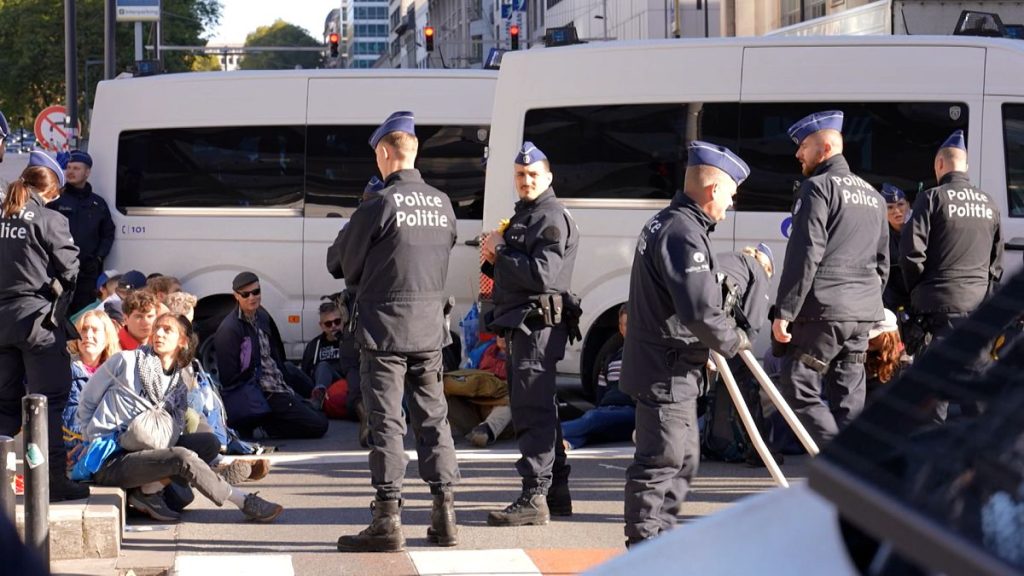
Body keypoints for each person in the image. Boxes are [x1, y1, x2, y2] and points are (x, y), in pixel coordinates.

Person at [327, 111, 460, 552]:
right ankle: (445, 515)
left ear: (385, 153)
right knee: (434, 420)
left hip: (383, 333)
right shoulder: (442, 203)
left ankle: (387, 518)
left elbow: (339, 262)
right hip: (429, 332)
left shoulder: (380, 205)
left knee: (387, 423)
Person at [621, 141, 752, 546]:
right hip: (666, 370)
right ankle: (643, 553)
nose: (730, 205)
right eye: (730, 194)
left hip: (668, 367)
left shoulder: (671, 222)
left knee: (682, 461)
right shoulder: (683, 232)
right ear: (713, 189)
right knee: (660, 465)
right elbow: (698, 310)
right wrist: (736, 341)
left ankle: (659, 543)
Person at [76, 313, 284, 523]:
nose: (158, 333)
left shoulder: (177, 384)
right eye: (157, 327)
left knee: (207, 443)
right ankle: (243, 500)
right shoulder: (126, 361)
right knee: (182, 457)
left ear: (183, 341)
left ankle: (149, 490)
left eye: (168, 330)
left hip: (144, 452)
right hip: (110, 459)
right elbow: (86, 400)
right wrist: (87, 440)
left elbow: (173, 432)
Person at [771, 110, 888, 449]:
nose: (798, 154)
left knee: (798, 383)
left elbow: (805, 254)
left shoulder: (817, 189)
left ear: (824, 149)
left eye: (803, 147)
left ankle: (841, 465)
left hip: (824, 310)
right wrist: (865, 303)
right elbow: (883, 262)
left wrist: (785, 312)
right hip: (862, 312)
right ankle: (854, 476)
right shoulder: (874, 195)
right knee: (848, 396)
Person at [481, 141, 581, 527]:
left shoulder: (550, 217)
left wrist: (501, 251)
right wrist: (496, 259)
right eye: (521, 176)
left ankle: (534, 495)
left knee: (532, 410)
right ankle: (555, 492)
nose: (526, 181)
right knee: (541, 408)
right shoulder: (528, 215)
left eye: (533, 175)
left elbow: (542, 275)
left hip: (537, 327)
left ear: (548, 177)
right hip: (525, 324)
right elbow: (515, 277)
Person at [0, 151, 90, 501]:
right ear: (51, 190)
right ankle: (51, 480)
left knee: (4, 406)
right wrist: (55, 298)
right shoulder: (49, 219)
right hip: (37, 323)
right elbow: (71, 270)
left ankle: (3, 482)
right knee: (48, 402)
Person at [900, 129, 1003, 419]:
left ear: (939, 165)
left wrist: (921, 290)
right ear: (965, 167)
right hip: (977, 310)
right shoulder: (989, 203)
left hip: (937, 311)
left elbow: (910, 255)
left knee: (932, 394)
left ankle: (931, 456)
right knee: (974, 385)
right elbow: (996, 264)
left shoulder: (931, 199)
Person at [214, 271, 328, 439]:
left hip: (279, 382)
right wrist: (256, 398)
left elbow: (275, 354)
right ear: (236, 296)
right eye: (246, 294)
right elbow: (229, 378)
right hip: (264, 392)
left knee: (315, 407)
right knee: (320, 425)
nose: (252, 297)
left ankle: (296, 407)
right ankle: (266, 427)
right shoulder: (229, 329)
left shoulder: (262, 316)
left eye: (256, 292)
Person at [48, 150, 116, 315]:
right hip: (59, 271)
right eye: (69, 167)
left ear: (87, 172)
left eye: (76, 168)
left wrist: (98, 257)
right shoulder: (56, 199)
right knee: (56, 316)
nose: (70, 171)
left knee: (83, 316)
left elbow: (108, 233)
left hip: (87, 273)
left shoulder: (97, 203)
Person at [561, 306, 634, 450]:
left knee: (593, 418)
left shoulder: (648, 357)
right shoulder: (610, 359)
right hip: (608, 411)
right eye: (626, 325)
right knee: (596, 423)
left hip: (633, 412)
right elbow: (600, 395)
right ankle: (568, 443)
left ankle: (547, 432)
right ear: (621, 328)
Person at [63, 310, 122, 472]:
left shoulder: (118, 372)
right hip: (77, 446)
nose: (88, 335)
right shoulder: (66, 369)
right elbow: (72, 420)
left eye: (95, 330)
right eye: (83, 329)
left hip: (106, 443)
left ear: (107, 337)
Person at [445, 335, 513, 448]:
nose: (502, 337)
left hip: (504, 414)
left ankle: (485, 430)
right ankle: (436, 432)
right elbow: (467, 375)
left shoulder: (525, 355)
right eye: (499, 333)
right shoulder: (484, 350)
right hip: (478, 408)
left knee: (514, 397)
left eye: (506, 333)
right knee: (443, 389)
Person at [300, 300, 360, 413]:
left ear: (343, 320)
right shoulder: (314, 345)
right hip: (318, 385)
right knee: (289, 368)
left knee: (323, 366)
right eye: (328, 324)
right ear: (321, 326)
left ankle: (318, 399)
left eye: (337, 321)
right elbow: (306, 372)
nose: (333, 326)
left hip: (342, 384)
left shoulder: (351, 342)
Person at [880, 183, 912, 314]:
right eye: (890, 207)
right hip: (891, 303)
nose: (897, 211)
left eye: (900, 204)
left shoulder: (918, 231)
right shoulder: (880, 235)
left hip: (915, 300)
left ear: (908, 205)